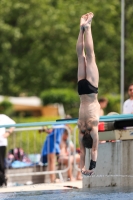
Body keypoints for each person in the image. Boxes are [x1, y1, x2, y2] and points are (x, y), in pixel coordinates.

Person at [76, 12, 100, 176]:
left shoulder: (92, 128)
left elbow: (93, 151)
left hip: (91, 91)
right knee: (80, 57)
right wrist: (82, 169)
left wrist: (92, 168)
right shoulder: (80, 128)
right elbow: (83, 153)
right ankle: (81, 30)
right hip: (81, 91)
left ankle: (88, 27)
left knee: (90, 57)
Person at [0, 114, 15, 186]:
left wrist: (8, 132)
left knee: (1, 163)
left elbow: (13, 124)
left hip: (1, 143)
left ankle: (2, 180)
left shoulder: (2, 117)